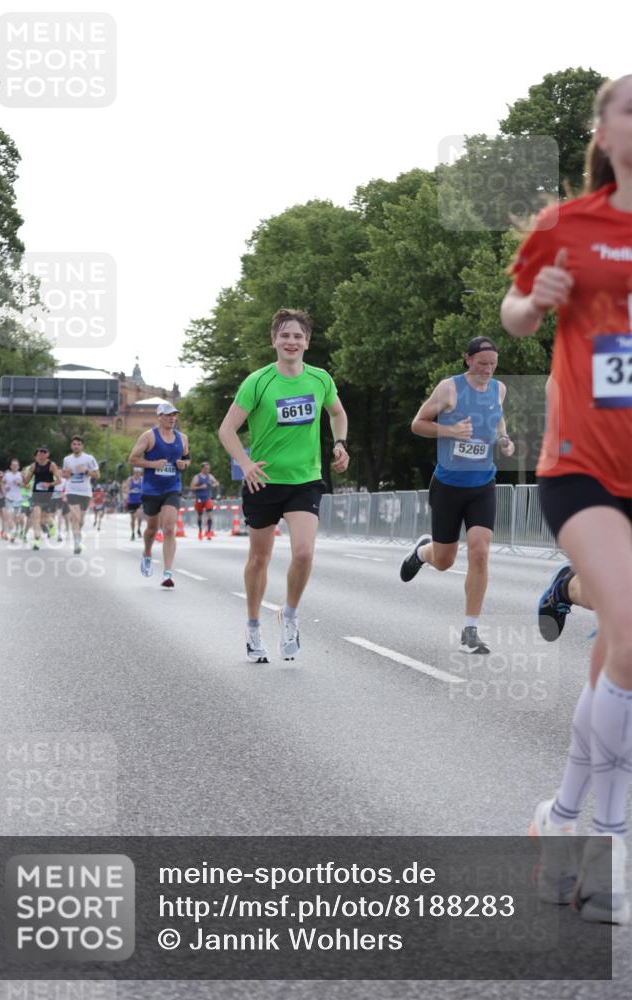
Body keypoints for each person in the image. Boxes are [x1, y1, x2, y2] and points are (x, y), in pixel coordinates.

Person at [501, 75, 632, 924]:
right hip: (579, 464)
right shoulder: (569, 224)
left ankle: (560, 819)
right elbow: (512, 314)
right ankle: (608, 848)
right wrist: (533, 301)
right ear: (604, 130)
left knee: (621, 657)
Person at [218, 308, 349, 662]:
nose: (291, 342)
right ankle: (253, 625)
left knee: (304, 553)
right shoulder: (257, 382)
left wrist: (340, 444)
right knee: (259, 559)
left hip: (304, 480)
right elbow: (226, 429)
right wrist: (244, 464)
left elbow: (337, 413)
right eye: (285, 335)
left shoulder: (320, 379)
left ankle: (289, 614)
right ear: (274, 340)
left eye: (298, 336)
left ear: (307, 342)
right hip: (263, 482)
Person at [399, 336, 515, 654]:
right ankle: (424, 552)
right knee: (445, 561)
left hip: (482, 484)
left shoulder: (498, 389)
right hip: (449, 484)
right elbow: (418, 424)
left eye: (493, 364)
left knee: (479, 552)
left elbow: (498, 417)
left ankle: (470, 630)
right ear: (467, 360)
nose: (488, 370)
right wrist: (449, 431)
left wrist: (504, 438)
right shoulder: (449, 388)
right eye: (482, 364)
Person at [128, 401, 189, 588]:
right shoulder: (148, 437)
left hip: (172, 487)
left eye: (174, 415)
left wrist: (183, 465)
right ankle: (147, 552)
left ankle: (168, 572)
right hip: (151, 489)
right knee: (152, 529)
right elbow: (132, 459)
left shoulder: (182, 438)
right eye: (168, 415)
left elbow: (187, 458)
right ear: (160, 417)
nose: (172, 418)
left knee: (169, 528)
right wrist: (153, 465)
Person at [62, 436, 100, 555]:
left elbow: (97, 475)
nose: (76, 446)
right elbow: (65, 475)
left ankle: (78, 535)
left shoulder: (89, 458)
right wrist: (66, 474)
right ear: (71, 446)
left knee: (81, 520)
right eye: (74, 444)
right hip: (71, 491)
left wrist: (85, 471)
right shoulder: (67, 459)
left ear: (82, 446)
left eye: (78, 444)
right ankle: (76, 543)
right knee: (75, 518)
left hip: (85, 492)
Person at [22, 447, 61, 550]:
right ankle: (36, 540)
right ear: (38, 454)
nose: (42, 454)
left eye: (44, 452)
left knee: (44, 519)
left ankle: (52, 524)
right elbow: (26, 482)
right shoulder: (34, 466)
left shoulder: (51, 465)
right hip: (37, 494)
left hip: (48, 494)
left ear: (47, 455)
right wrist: (23, 476)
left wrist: (49, 484)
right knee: (36, 516)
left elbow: (59, 481)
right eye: (40, 452)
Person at [190, 461, 220, 539]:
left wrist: (213, 484)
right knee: (200, 515)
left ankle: (209, 532)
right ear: (202, 468)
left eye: (209, 468)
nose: (208, 470)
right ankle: (200, 531)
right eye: (206, 468)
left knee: (210, 514)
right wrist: (200, 487)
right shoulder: (197, 477)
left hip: (207, 498)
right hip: (199, 498)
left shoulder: (210, 476)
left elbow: (217, 483)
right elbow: (192, 487)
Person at [3, 459, 24, 543]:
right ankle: (14, 531)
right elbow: (3, 483)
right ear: (11, 466)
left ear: (18, 467)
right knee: (9, 517)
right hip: (9, 498)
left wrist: (19, 483)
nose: (14, 466)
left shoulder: (21, 475)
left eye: (16, 465)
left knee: (17, 519)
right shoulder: (7, 475)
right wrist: (5, 487)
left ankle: (15, 532)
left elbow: (25, 485)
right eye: (13, 465)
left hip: (18, 499)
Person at [124, 467, 144, 540]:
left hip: (140, 501)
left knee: (139, 516)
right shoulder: (130, 480)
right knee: (133, 519)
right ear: (134, 473)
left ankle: (138, 528)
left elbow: (145, 488)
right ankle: (133, 533)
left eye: (139, 473)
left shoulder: (142, 480)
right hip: (131, 502)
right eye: (136, 472)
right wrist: (129, 491)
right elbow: (124, 488)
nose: (137, 474)